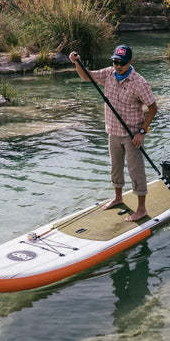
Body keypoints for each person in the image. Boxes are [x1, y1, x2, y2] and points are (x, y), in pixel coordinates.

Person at [69, 45, 157, 221]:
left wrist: (142, 131)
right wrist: (76, 62)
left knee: (136, 171)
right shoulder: (109, 73)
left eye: (122, 63)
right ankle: (118, 198)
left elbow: (153, 108)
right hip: (113, 131)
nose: (118, 66)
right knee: (115, 168)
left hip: (132, 135)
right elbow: (88, 76)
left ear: (130, 62)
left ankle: (141, 209)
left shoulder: (139, 83)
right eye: (115, 61)